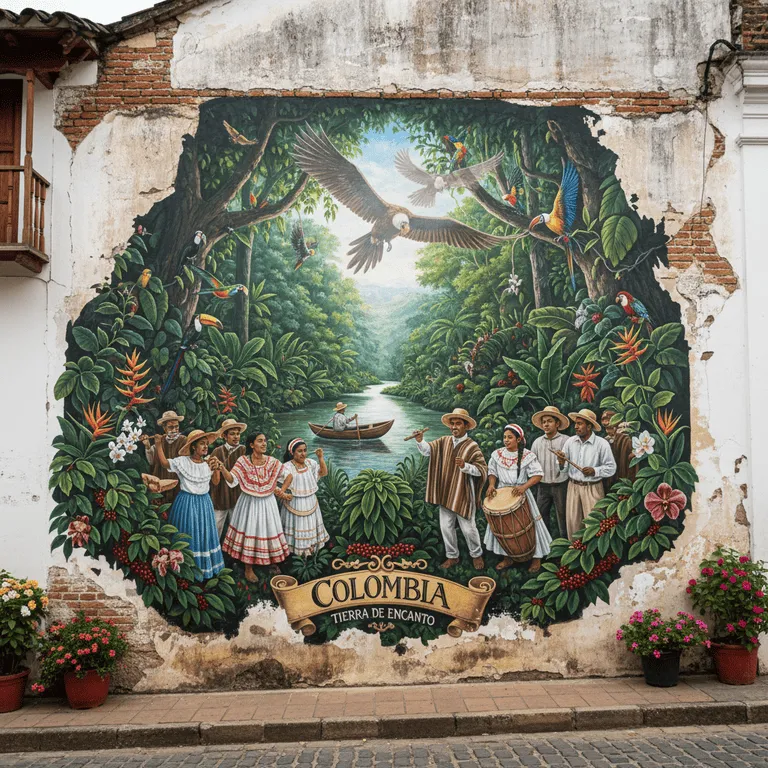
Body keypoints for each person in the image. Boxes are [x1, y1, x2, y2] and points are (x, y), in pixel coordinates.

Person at [415, 408, 487, 570]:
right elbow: (428, 451)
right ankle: (452, 556)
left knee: (468, 529)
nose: (454, 427)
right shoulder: (444, 441)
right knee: (446, 526)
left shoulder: (472, 446)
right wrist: (420, 440)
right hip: (445, 492)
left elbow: (481, 469)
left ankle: (476, 555)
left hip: (463, 494)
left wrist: (466, 466)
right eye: (452, 424)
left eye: (458, 424)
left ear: (466, 426)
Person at [218, 431, 292, 582]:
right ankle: (248, 568)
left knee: (268, 530)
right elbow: (232, 480)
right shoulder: (243, 461)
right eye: (260, 441)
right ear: (251, 445)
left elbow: (289, 475)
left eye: (265, 440)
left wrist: (281, 491)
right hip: (249, 503)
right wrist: (222, 469)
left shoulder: (272, 462)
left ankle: (271, 563)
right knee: (249, 530)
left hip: (267, 503)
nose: (264, 444)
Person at [153, 428, 225, 579]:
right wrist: (159, 445)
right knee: (187, 534)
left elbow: (216, 482)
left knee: (203, 535)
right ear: (193, 446)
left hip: (204, 504)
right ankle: (183, 570)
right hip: (186, 502)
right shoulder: (182, 462)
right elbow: (165, 464)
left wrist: (217, 468)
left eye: (207, 444)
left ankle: (202, 571)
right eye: (202, 444)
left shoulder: (208, 462)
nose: (206, 447)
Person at [483, 424, 551, 573]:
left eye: (510, 437)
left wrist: (524, 487)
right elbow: (492, 472)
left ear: (519, 439)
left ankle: (536, 558)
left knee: (533, 525)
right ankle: (507, 557)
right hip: (501, 493)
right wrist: (492, 485)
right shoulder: (497, 454)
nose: (506, 440)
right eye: (504, 437)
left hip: (520, 494)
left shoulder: (527, 456)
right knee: (502, 526)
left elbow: (538, 475)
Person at [554, 409, 617, 539]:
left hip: (593, 488)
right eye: (575, 423)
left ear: (589, 426)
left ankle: (595, 556)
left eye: (580, 423)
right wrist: (561, 462)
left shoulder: (602, 444)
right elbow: (564, 470)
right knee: (573, 524)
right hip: (573, 487)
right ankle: (575, 553)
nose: (576, 427)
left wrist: (595, 471)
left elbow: (611, 468)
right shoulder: (570, 442)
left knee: (595, 525)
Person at [279, 439, 329, 556]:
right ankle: (296, 554)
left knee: (311, 525)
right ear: (292, 452)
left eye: (305, 451)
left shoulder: (310, 463)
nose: (303, 454)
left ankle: (312, 552)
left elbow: (323, 473)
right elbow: (280, 484)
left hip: (311, 501)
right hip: (294, 503)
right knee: (297, 527)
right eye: (299, 451)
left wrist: (320, 458)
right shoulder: (286, 467)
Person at [530, 406, 570, 539]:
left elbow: (570, 464)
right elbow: (532, 464)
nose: (546, 424)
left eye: (549, 421)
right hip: (543, 486)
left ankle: (565, 547)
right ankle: (545, 548)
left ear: (557, 423)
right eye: (544, 422)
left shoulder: (566, 440)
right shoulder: (537, 442)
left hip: (561, 485)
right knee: (541, 516)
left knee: (563, 517)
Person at [209, 418, 247, 539]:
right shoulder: (217, 451)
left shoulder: (244, 451)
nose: (236, 437)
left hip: (238, 494)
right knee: (215, 526)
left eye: (238, 434)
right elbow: (213, 478)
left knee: (238, 527)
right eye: (232, 434)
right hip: (220, 495)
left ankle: (235, 555)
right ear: (225, 436)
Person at [141, 410, 186, 506]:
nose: (174, 430)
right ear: (164, 428)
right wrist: (148, 446)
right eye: (170, 427)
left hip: (177, 483)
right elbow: (151, 461)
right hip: (160, 481)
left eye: (176, 426)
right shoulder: (159, 440)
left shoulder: (184, 441)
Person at [601, 408, 637, 491]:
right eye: (604, 419)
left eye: (608, 418)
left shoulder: (626, 438)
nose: (605, 421)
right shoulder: (605, 440)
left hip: (623, 474)